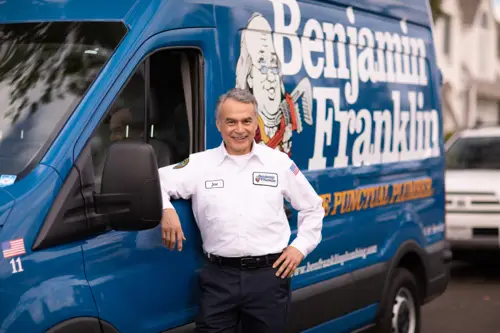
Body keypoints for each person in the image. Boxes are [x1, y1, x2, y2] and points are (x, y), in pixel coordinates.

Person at [158, 88, 324, 333]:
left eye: (247, 121)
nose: (240, 129)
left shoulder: (277, 163)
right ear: (219, 125)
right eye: (231, 122)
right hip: (219, 278)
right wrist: (165, 209)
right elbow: (157, 180)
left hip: (269, 277)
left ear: (255, 123)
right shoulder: (200, 164)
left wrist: (299, 248)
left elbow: (313, 207)